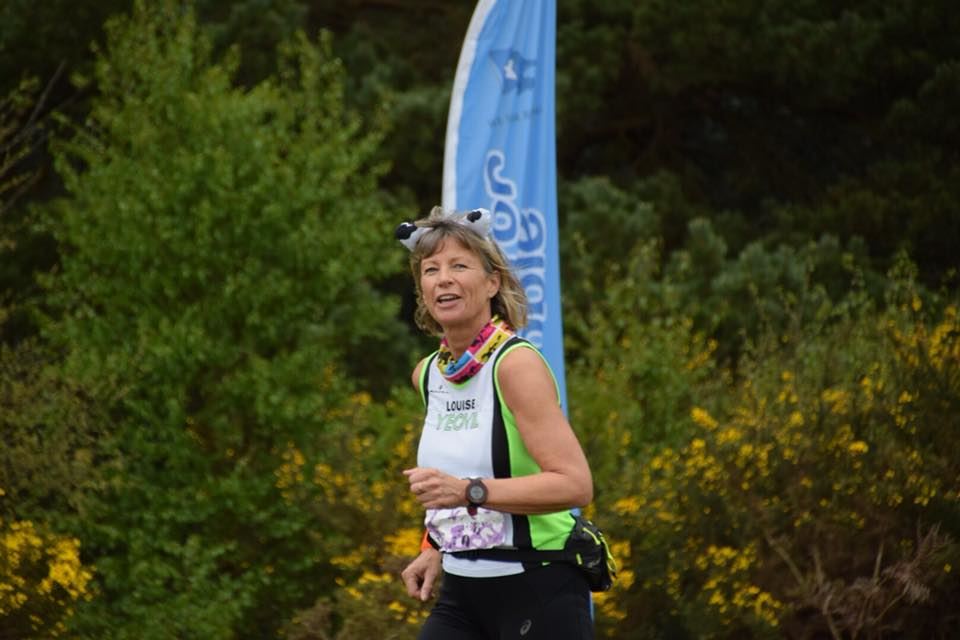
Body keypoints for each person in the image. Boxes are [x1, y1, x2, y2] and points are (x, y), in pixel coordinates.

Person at [396, 206, 595, 639]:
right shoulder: (427, 374)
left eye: (459, 266)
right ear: (422, 291)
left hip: (539, 583)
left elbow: (575, 485)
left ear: (493, 282)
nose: (443, 279)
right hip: (462, 589)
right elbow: (451, 474)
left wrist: (469, 491)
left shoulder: (515, 365)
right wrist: (432, 546)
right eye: (431, 270)